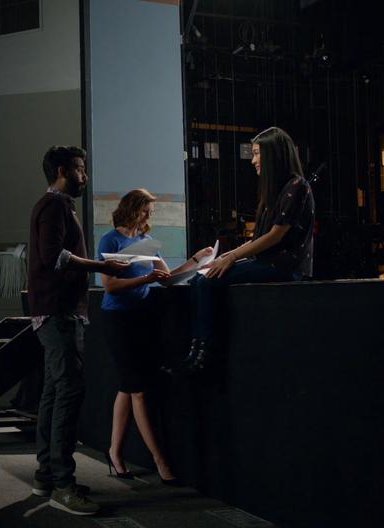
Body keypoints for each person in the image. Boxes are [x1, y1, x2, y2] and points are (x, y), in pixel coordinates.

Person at [27, 145, 128, 516]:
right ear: (60, 170)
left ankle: (46, 476)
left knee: (55, 393)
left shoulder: (57, 206)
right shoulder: (53, 206)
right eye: (80, 169)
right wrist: (103, 266)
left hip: (58, 312)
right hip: (58, 313)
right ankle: (63, 485)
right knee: (67, 392)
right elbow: (53, 258)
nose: (85, 176)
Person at [98, 189, 212, 485]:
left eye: (151, 211)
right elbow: (109, 285)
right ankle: (161, 462)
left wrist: (198, 260)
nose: (151, 216)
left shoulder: (147, 243)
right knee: (139, 391)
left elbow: (170, 277)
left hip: (143, 319)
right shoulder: (111, 239)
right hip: (118, 320)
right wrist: (144, 279)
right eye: (147, 210)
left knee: (128, 387)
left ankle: (115, 454)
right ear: (133, 209)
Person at [184, 126, 315, 371]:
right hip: (265, 262)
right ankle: (197, 346)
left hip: (283, 267)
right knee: (199, 279)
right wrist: (224, 257)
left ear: (273, 155)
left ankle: (204, 352)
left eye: (257, 154)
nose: (252, 160)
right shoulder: (275, 191)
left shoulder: (297, 186)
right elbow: (260, 238)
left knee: (205, 282)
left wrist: (233, 256)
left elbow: (276, 235)